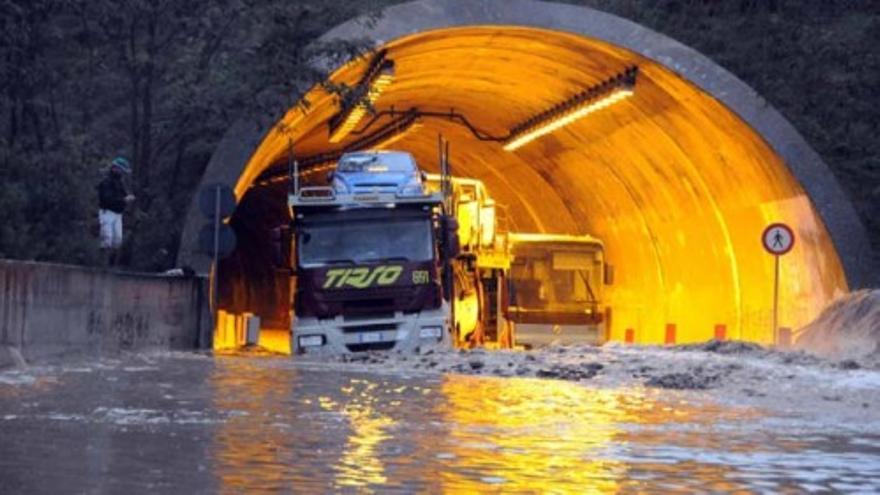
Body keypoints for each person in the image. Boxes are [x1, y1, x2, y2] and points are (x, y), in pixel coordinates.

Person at [97, 157, 135, 265]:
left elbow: (122, 196)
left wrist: (127, 199)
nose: (122, 173)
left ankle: (111, 265)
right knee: (107, 239)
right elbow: (106, 199)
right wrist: (123, 200)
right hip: (107, 212)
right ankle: (102, 264)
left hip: (118, 215)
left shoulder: (120, 183)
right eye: (121, 170)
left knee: (117, 240)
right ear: (115, 168)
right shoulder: (106, 182)